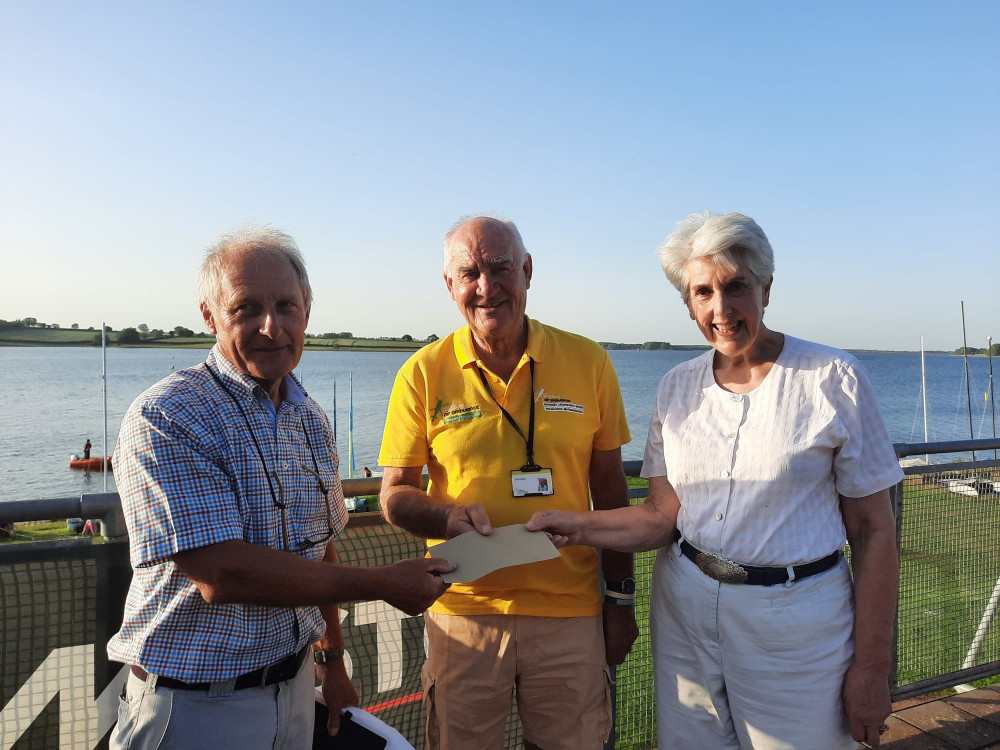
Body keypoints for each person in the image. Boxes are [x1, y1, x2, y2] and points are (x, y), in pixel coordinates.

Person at [528, 211, 903, 750]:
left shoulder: (832, 378)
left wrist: (871, 668)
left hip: (797, 624)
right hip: (685, 608)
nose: (720, 309)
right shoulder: (676, 387)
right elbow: (662, 518)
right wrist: (577, 526)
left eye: (736, 287)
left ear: (767, 289)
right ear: (687, 303)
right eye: (702, 292)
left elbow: (873, 532)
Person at [107, 226, 452, 750]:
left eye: (287, 306)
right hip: (192, 708)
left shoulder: (310, 418)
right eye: (246, 308)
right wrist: (384, 582)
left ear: (307, 313)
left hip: (294, 692)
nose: (271, 327)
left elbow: (323, 548)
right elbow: (221, 574)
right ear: (210, 315)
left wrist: (332, 661)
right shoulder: (168, 414)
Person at [378, 215, 638, 750]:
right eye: (469, 273)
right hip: (462, 612)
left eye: (501, 268)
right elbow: (394, 496)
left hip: (571, 611)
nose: (486, 286)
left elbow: (611, 494)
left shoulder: (589, 361)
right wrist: (445, 516)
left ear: (527, 271)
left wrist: (620, 601)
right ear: (449, 286)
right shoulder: (421, 373)